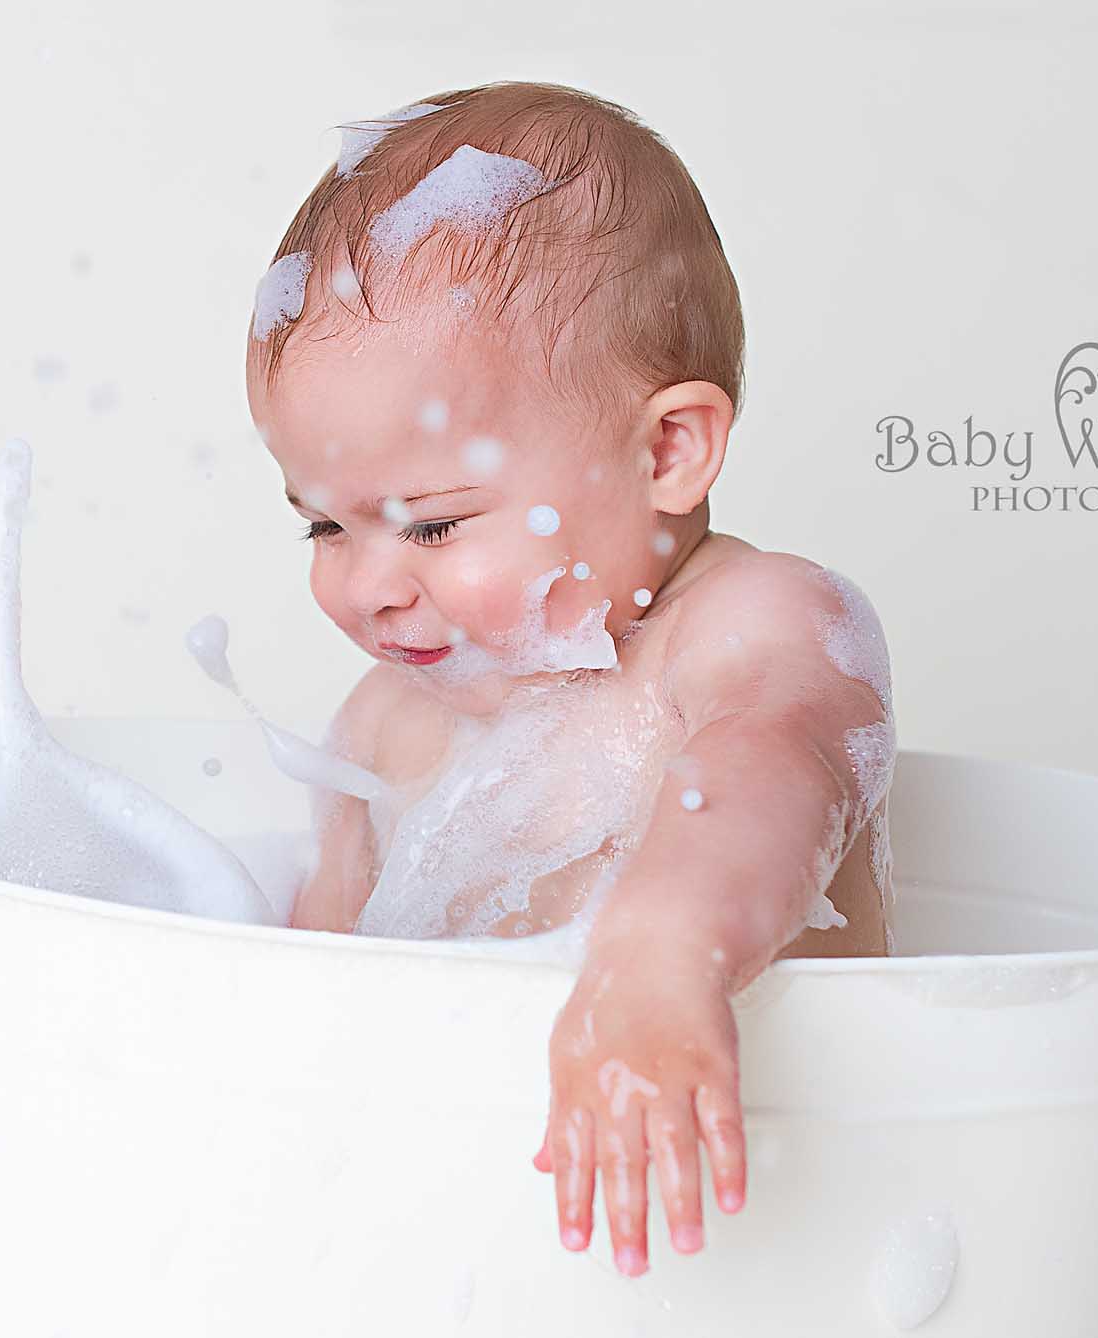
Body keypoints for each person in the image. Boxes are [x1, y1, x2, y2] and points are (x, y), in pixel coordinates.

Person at [244, 80, 895, 1279]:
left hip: (781, 1244)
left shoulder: (752, 626)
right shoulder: (386, 728)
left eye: (430, 527)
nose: (365, 586)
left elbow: (771, 764)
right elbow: (312, 1006)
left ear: (666, 452)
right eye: (322, 529)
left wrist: (658, 955)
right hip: (474, 1250)